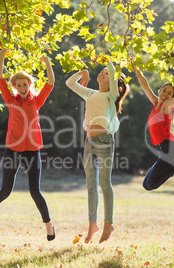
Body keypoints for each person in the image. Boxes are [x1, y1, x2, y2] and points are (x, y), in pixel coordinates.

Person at [0, 49, 56, 241]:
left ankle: (49, 226)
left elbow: (51, 83)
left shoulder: (36, 101)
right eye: (18, 85)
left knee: (35, 191)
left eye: (25, 84)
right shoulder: (10, 100)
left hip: (33, 150)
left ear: (30, 85)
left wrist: (46, 62)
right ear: (14, 86)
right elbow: (0, 79)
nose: (22, 87)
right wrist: (2, 56)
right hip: (12, 149)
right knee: (5, 190)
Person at [66, 61, 130, 244]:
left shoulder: (112, 95)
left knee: (104, 183)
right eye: (101, 72)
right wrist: (82, 72)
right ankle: (92, 224)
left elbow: (112, 70)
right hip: (89, 142)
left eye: (106, 73)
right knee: (90, 186)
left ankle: (108, 223)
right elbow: (70, 84)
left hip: (104, 142)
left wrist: (107, 61)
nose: (102, 74)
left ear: (113, 82)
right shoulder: (91, 93)